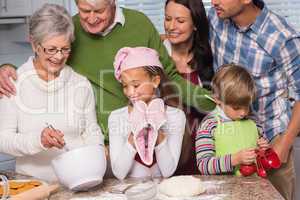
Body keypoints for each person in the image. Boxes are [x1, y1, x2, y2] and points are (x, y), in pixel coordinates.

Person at [0, 0, 215, 144]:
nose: (91, 18)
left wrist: (215, 102)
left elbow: (170, 76)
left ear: (113, 2)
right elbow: (47, 61)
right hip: (97, 143)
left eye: (99, 11)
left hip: (140, 137)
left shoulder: (139, 24)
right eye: (85, 10)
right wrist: (6, 70)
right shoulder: (69, 29)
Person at [0, 4, 104, 182]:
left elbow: (92, 132)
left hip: (77, 182)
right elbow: (4, 139)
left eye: (65, 49)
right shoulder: (13, 83)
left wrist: (96, 155)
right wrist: (39, 141)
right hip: (34, 187)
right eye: (51, 49)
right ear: (34, 44)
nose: (58, 57)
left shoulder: (80, 84)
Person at [209, 0, 300, 198]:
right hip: (226, 139)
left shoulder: (282, 37)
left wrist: (284, 143)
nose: (213, 1)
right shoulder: (216, 18)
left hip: (268, 140)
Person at [108, 47, 185, 179]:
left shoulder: (176, 116)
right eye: (125, 86)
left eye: (136, 85)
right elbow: (119, 173)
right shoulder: (116, 117)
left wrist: (156, 128)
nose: (130, 92)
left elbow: (168, 171)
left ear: (155, 81)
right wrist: (135, 133)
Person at [162, 0, 214, 175]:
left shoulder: (210, 55)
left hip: (206, 147)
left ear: (196, 25)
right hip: (169, 147)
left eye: (180, 21)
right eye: (167, 19)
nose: (171, 26)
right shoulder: (157, 57)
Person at [196, 64, 269, 175]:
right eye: (236, 108)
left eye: (247, 106)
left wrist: (263, 150)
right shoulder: (209, 125)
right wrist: (234, 159)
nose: (243, 113)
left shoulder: (254, 123)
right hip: (222, 189)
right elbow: (203, 165)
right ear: (217, 99)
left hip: (252, 188)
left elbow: (263, 161)